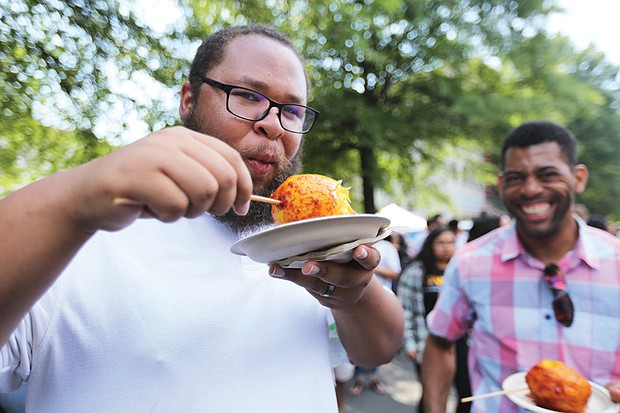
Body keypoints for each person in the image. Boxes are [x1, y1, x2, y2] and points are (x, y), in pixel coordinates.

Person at [0, 25, 405, 412]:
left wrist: (353, 294)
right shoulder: (80, 235)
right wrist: (76, 198)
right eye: (248, 96)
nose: (272, 124)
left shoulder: (309, 239)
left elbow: (378, 349)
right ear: (188, 100)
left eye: (293, 110)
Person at [421, 120, 620, 412]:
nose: (530, 189)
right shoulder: (470, 263)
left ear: (578, 178)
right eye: (516, 177)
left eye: (547, 174)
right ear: (501, 185)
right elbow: (440, 342)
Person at [397, 227, 471, 413]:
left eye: (451, 243)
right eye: (441, 243)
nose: (447, 247)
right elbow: (405, 309)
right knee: (432, 394)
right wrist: (410, 343)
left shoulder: (460, 269)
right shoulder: (416, 271)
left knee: (467, 391)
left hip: (459, 341)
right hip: (427, 341)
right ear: (430, 245)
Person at [348, 236, 402, 397]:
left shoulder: (386, 247)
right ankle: (359, 378)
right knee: (357, 339)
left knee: (374, 341)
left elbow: (394, 273)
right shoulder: (352, 245)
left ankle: (373, 377)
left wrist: (370, 267)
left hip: (380, 303)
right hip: (355, 301)